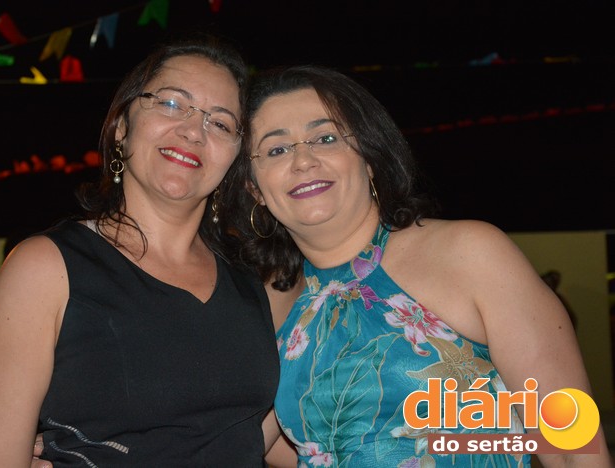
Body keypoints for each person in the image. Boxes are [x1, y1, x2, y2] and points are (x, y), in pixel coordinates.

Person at [218, 65, 610, 466]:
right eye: (277, 149)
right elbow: (260, 447)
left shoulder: (469, 253)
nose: (303, 160)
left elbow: (571, 446)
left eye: (326, 138)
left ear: (369, 158)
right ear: (254, 187)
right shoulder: (272, 306)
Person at [0, 36, 280, 467]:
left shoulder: (252, 281)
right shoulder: (45, 269)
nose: (193, 130)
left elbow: (256, 438)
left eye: (220, 123)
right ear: (121, 126)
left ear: (235, 156)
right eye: (171, 103)